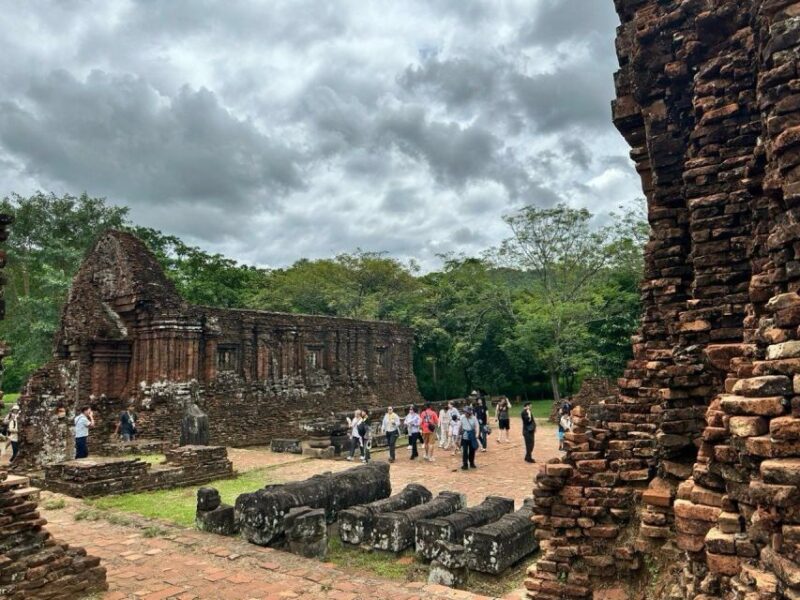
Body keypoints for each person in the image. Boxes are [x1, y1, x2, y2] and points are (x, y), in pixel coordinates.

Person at [458, 406, 480, 470]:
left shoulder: (474, 418)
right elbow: (460, 426)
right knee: (464, 451)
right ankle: (465, 464)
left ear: (469, 413)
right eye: (465, 412)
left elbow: (477, 426)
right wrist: (459, 435)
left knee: (472, 450)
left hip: (472, 436)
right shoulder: (462, 417)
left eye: (466, 412)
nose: (465, 413)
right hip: (464, 437)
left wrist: (477, 434)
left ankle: (472, 463)